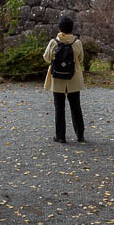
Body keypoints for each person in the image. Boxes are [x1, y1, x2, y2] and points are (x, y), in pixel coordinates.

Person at [43, 15, 85, 144]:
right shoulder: (77, 42)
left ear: (60, 28)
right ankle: (80, 135)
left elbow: (46, 58)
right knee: (75, 106)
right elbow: (81, 59)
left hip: (58, 79)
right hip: (73, 78)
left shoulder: (54, 42)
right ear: (72, 28)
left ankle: (60, 136)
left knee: (59, 107)